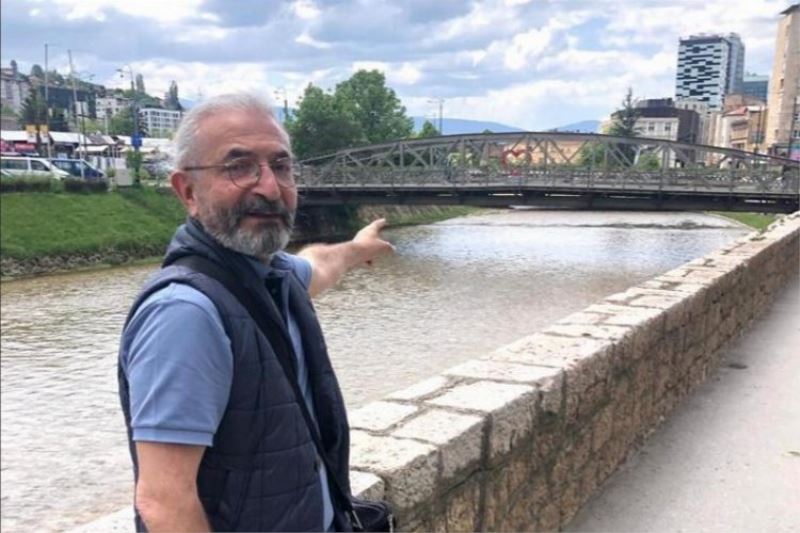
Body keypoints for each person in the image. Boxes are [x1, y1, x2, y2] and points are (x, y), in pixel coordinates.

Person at [117, 93, 394, 532]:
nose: (269, 187)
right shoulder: (186, 313)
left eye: (281, 166)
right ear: (188, 191)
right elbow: (164, 502)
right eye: (239, 166)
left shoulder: (271, 275)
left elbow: (320, 265)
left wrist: (360, 248)